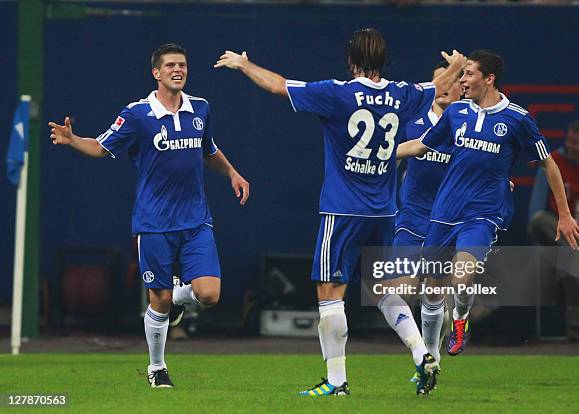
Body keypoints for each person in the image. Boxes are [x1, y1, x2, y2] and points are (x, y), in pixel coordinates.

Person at [215, 28, 465, 395]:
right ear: (383, 60)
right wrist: (457, 66)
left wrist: (244, 64)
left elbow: (278, 86)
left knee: (330, 291)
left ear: (351, 61)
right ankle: (421, 352)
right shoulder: (401, 94)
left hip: (343, 210)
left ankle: (336, 380)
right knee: (381, 289)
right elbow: (435, 86)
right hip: (384, 211)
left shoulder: (336, 92)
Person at [48, 43, 250, 388]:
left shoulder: (200, 108)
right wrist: (72, 140)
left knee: (210, 294)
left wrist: (232, 172)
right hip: (154, 223)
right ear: (156, 73)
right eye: (170, 65)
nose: (178, 70)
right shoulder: (137, 115)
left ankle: (178, 296)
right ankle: (157, 367)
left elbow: (209, 149)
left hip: (195, 220)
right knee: (159, 300)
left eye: (183, 65)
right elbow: (100, 146)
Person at [397, 49, 579, 357]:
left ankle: (460, 320)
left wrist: (564, 214)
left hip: (483, 214)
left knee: (462, 277)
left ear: (489, 78)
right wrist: (380, 154)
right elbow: (421, 145)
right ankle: (429, 359)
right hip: (444, 212)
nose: (462, 80)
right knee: (432, 288)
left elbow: (548, 165)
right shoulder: (457, 113)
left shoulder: (518, 119)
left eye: (468, 74)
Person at [394, 61, 461, 366]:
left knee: (434, 295)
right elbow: (388, 158)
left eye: (453, 80)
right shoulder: (411, 122)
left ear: (464, 88)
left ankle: (429, 354)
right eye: (439, 81)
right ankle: (422, 347)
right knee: (399, 289)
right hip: (411, 217)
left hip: (447, 221)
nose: (445, 86)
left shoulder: (466, 127)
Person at [529, 121, 579, 246]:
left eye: (574, 142)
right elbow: (535, 213)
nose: (568, 146)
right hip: (561, 238)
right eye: (568, 140)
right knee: (539, 220)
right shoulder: (552, 163)